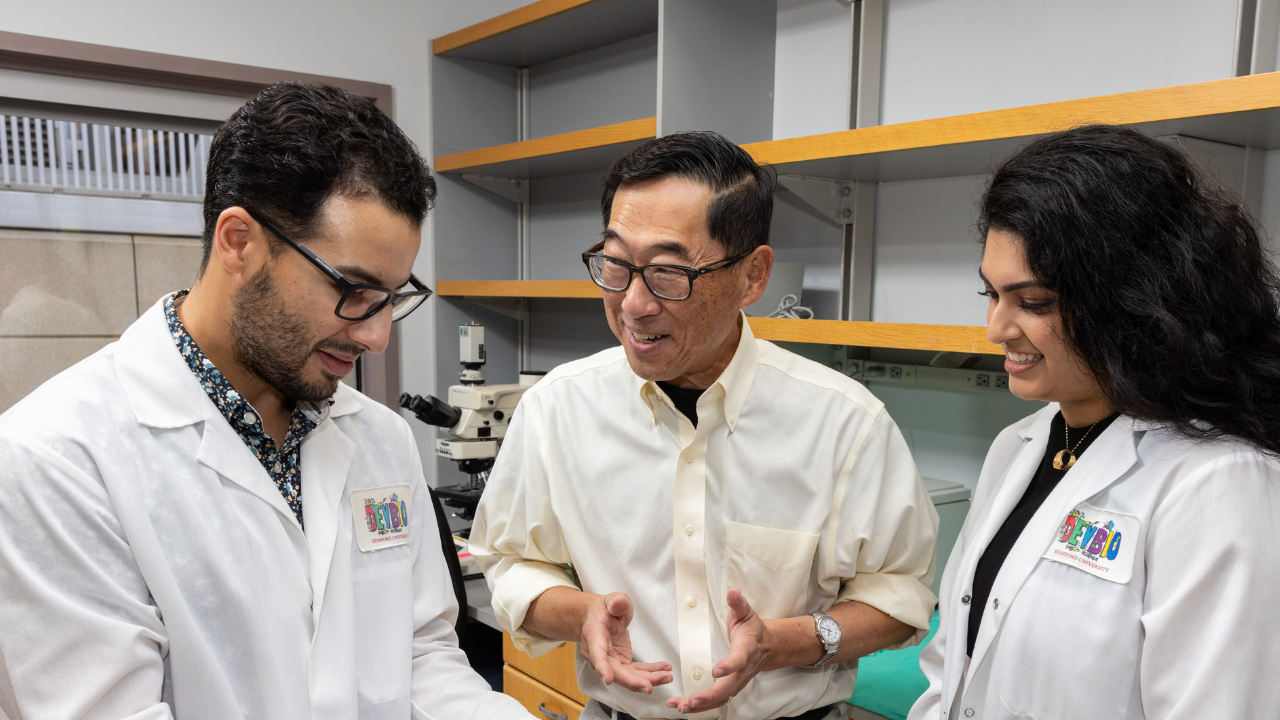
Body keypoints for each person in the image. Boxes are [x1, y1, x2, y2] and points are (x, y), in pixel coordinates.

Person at [0, 82, 532, 720]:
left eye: (393, 296)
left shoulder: (380, 440)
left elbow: (421, 658)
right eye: (353, 289)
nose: (377, 334)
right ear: (238, 242)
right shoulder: (55, 460)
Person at [471, 131, 940, 720]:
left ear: (753, 275)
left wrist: (784, 643)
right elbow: (511, 562)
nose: (634, 303)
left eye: (669, 272)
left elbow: (898, 595)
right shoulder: (558, 408)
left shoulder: (845, 423)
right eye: (616, 264)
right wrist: (580, 612)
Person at [908, 125, 1280, 719]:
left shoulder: (1219, 482)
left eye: (1033, 302)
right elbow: (953, 667)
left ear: (1130, 299)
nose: (997, 328)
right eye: (991, 294)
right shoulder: (1017, 447)